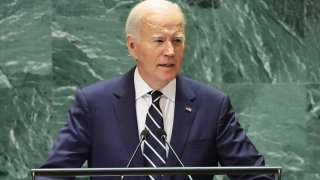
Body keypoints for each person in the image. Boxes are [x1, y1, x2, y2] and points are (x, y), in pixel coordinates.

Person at [38, 0, 274, 179]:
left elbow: (255, 175)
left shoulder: (212, 105)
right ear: (133, 46)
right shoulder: (93, 104)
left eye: (178, 40)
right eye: (159, 40)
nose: (170, 51)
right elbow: (53, 175)